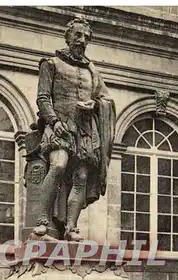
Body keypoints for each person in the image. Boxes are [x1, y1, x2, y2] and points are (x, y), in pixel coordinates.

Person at [33, 17, 116, 241]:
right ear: (68, 36)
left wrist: (96, 105)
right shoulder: (50, 64)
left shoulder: (92, 71)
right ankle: (42, 220)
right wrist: (54, 121)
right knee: (58, 165)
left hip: (86, 131)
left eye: (86, 37)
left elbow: (105, 98)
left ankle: (71, 227)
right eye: (78, 35)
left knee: (81, 177)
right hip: (59, 126)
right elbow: (43, 98)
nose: (82, 40)